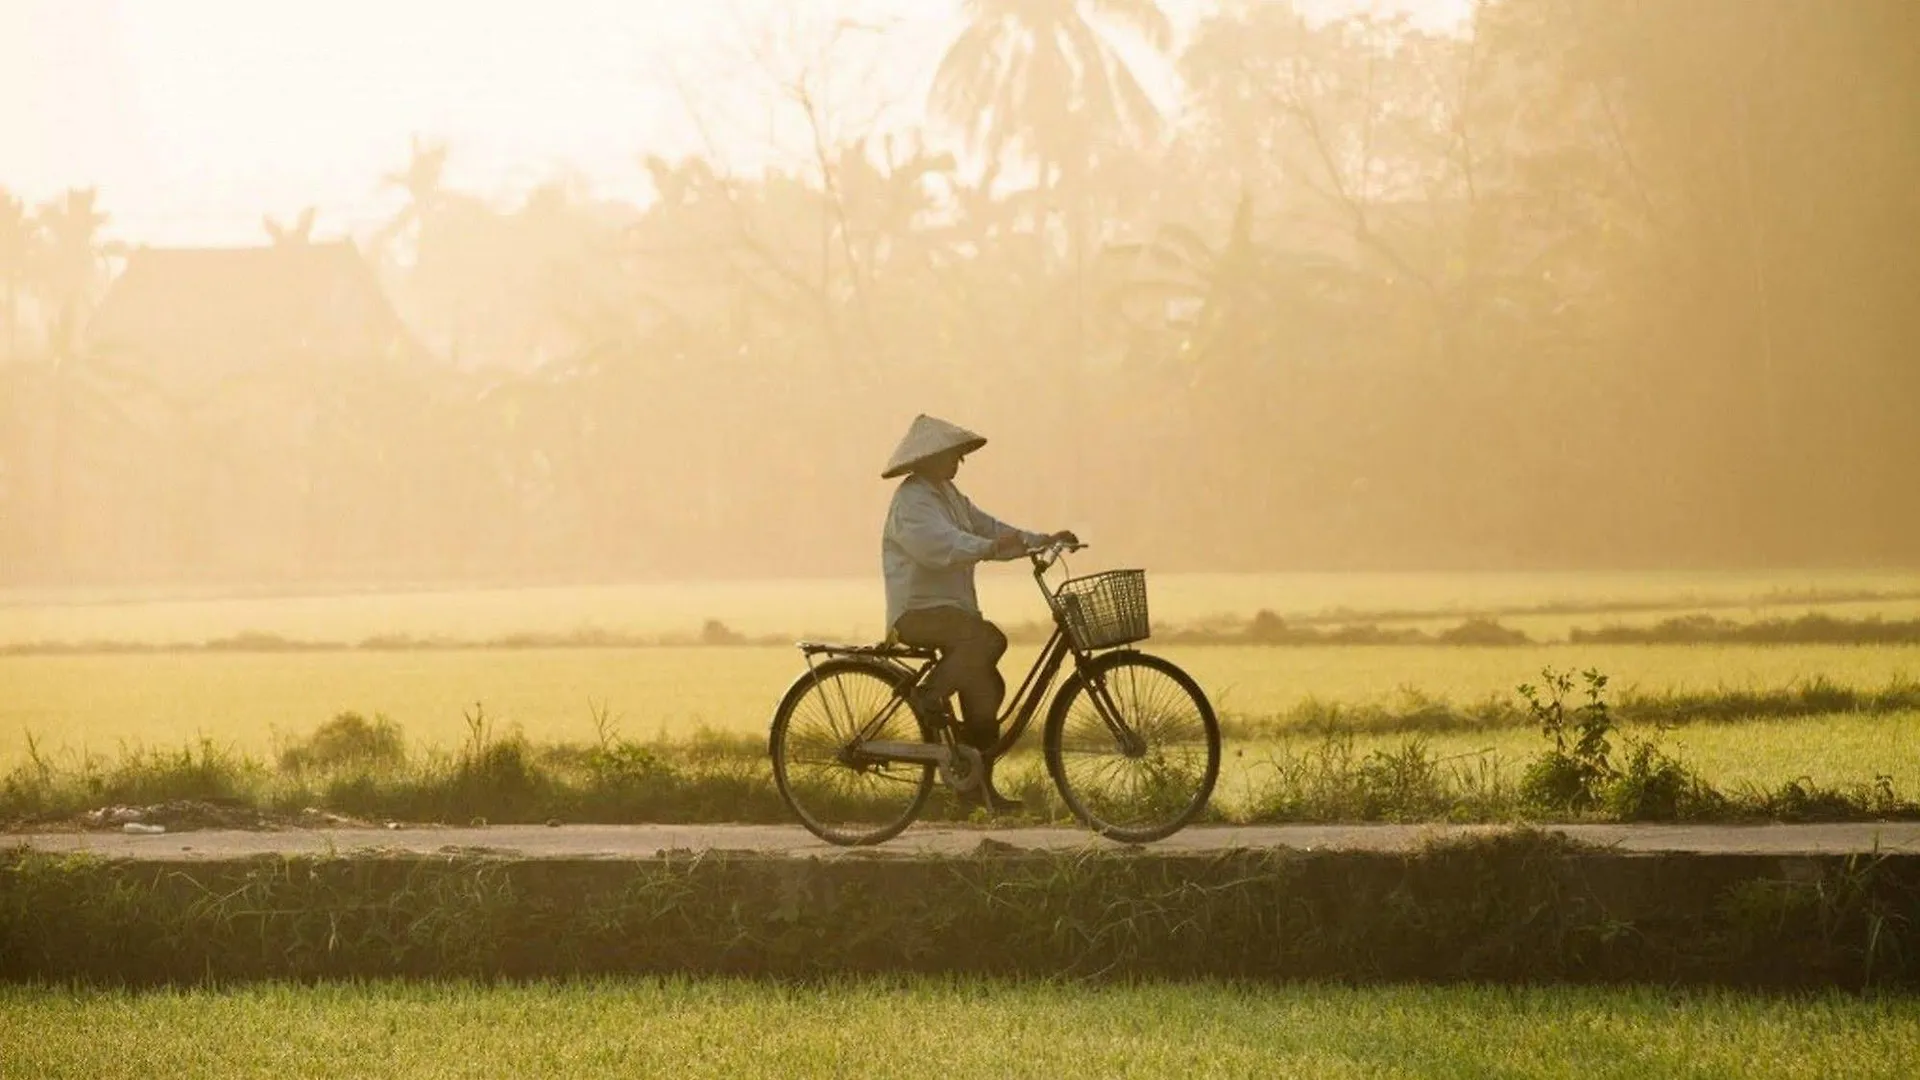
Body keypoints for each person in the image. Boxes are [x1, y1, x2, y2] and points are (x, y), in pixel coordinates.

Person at [879, 414, 1076, 812]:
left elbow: (988, 527)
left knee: (987, 688)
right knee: (989, 640)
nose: (959, 462)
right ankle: (928, 695)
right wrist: (989, 547)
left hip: (951, 613)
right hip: (918, 612)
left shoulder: (949, 496)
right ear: (932, 457)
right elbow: (940, 546)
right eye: (954, 455)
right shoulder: (912, 501)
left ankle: (975, 789)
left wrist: (1038, 540)